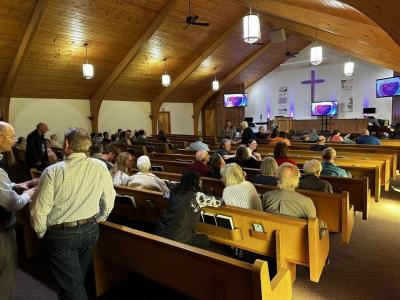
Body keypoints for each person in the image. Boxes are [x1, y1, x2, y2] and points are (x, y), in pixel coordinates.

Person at [30, 127, 116, 300]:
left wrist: (41, 232)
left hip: (62, 235)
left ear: (67, 144)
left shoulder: (53, 171)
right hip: (90, 230)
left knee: (72, 284)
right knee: (75, 279)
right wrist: (100, 218)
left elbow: (39, 209)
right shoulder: (100, 166)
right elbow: (109, 197)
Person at [0, 121, 37, 300]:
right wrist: (29, 192)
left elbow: (2, 186)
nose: (14, 139)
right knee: (5, 278)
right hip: (1, 232)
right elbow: (13, 204)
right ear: (0, 138)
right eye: (11, 136)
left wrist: (17, 184)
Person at [154, 171, 222, 249]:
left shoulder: (172, 192)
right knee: (204, 239)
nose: (201, 182)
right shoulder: (197, 196)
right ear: (195, 182)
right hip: (179, 238)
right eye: (200, 180)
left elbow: (165, 195)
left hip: (161, 232)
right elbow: (220, 202)